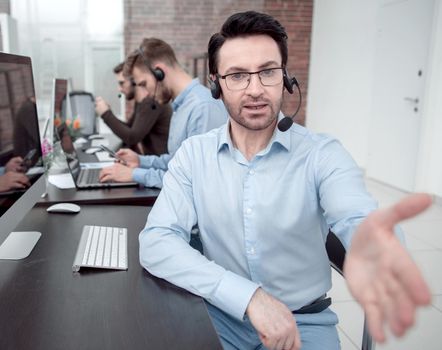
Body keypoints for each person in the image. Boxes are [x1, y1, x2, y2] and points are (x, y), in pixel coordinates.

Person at [138, 11, 432, 350]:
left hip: (303, 322)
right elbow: (157, 240)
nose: (255, 90)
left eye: (268, 72)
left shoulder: (322, 154)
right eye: (237, 76)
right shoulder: (194, 156)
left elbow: (356, 215)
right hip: (221, 315)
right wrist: (249, 298)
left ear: (286, 78)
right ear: (217, 84)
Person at [99, 38, 227, 188]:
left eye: (144, 84)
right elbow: (177, 161)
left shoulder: (203, 108)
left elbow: (193, 179)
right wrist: (140, 161)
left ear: (159, 72)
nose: (145, 94)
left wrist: (134, 174)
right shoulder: (181, 105)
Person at [95, 62, 172, 156]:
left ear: (134, 81)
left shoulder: (151, 102)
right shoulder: (141, 102)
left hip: (161, 166)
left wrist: (105, 114)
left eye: (122, 83)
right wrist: (108, 112)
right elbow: (130, 129)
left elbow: (132, 138)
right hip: (153, 162)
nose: (119, 89)